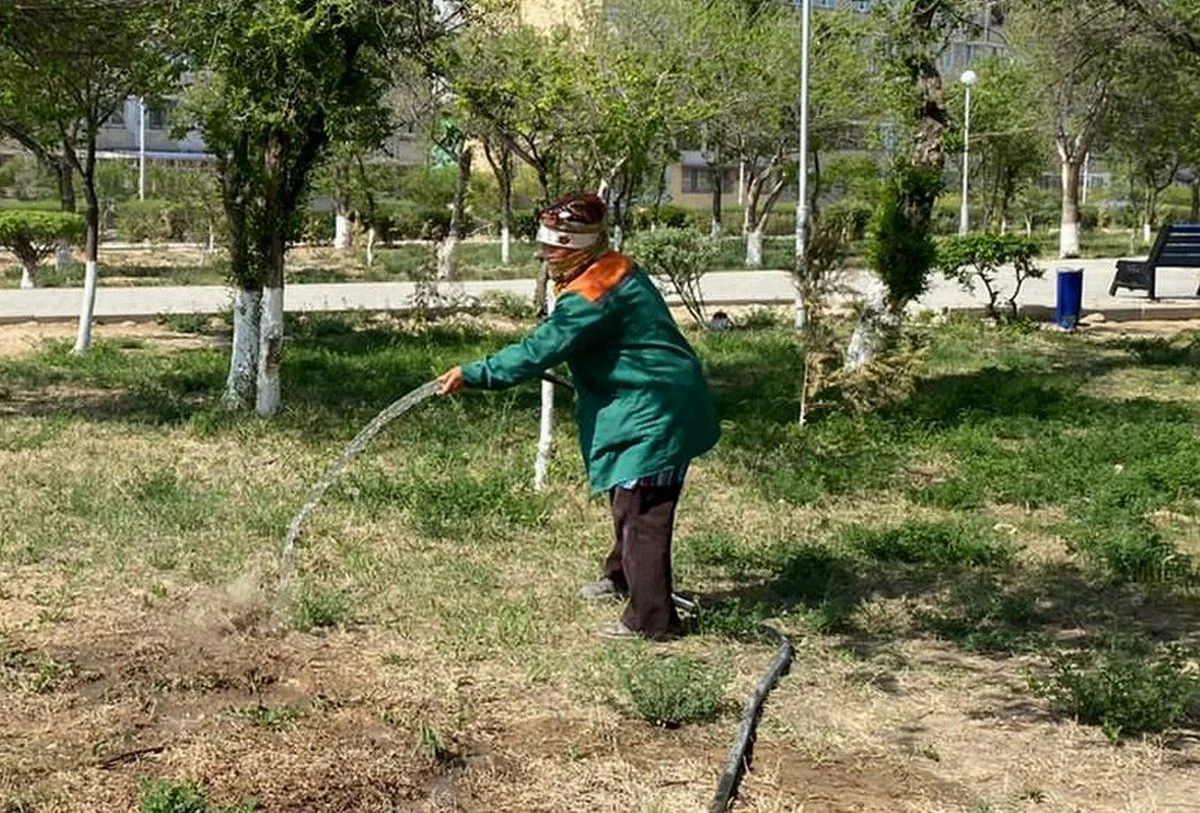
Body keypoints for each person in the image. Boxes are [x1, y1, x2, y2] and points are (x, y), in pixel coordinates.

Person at [437, 192, 719, 641]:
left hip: (656, 407)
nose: (546, 256)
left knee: (642, 506)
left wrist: (474, 374)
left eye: (556, 248)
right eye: (545, 246)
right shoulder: (613, 266)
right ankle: (623, 576)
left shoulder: (591, 295)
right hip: (646, 398)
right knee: (628, 495)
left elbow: (537, 352)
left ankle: (653, 620)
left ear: (580, 247)